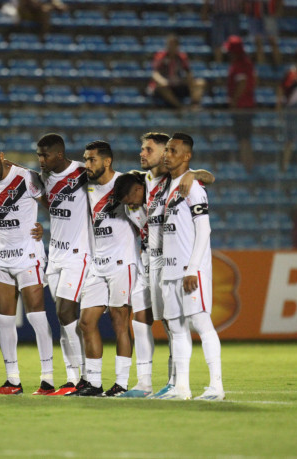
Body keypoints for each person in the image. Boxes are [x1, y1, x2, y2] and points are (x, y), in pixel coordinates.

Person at [113, 132, 215, 398]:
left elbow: (207, 178)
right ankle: (144, 382)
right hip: (149, 258)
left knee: (174, 324)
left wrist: (196, 174)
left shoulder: (175, 179)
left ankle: (176, 382)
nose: (142, 154)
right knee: (143, 319)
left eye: (149, 149)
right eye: (142, 149)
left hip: (171, 257)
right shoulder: (139, 181)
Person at [0, 143, 55, 395]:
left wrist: (44, 229)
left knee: (36, 316)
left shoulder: (25, 177)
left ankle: (48, 379)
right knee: (5, 321)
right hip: (1, 258)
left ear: (1, 157)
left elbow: (55, 208)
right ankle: (12, 380)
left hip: (27, 255)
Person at [155, 133, 224, 401]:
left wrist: (192, 268)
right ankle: (181, 388)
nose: (167, 154)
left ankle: (216, 387)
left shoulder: (193, 187)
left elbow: (204, 229)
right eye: (167, 150)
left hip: (189, 270)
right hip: (170, 270)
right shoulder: (169, 186)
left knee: (201, 322)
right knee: (176, 327)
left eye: (173, 151)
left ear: (186, 156)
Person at [71, 140, 138, 397]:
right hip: (98, 264)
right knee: (86, 322)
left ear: (107, 161)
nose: (87, 164)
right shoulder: (87, 188)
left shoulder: (126, 183)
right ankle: (94, 383)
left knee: (120, 322)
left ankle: (121, 383)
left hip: (123, 262)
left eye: (92, 160)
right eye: (85, 160)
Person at [35, 133, 90, 396]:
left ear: (59, 154)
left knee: (66, 311)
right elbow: (52, 203)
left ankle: (85, 376)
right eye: (39, 155)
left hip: (79, 254)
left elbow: (118, 179)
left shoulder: (82, 171)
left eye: (45, 155)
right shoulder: (45, 178)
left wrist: (194, 175)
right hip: (55, 254)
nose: (40, 160)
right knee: (63, 317)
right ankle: (72, 378)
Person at [147, 35, 206, 110]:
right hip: (164, 86)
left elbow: (188, 73)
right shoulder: (161, 56)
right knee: (161, 86)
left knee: (200, 82)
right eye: (170, 44)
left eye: (174, 45)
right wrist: (162, 81)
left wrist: (191, 83)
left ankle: (194, 105)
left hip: (177, 85)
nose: (171, 47)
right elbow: (155, 74)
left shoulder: (182, 57)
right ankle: (180, 107)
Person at [225, 35, 257, 172]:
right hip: (246, 106)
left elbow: (242, 84)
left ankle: (248, 168)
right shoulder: (247, 63)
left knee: (244, 140)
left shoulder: (241, 64)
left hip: (242, 108)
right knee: (244, 139)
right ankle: (247, 167)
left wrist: (234, 102)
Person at [2, 0, 67, 38]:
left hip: (36, 15)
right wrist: (50, 7)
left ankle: (43, 38)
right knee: (44, 10)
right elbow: (34, 4)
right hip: (22, 14)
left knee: (45, 13)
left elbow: (60, 6)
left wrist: (57, 6)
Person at [246, 0, 282, 66]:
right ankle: (262, 67)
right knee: (258, 43)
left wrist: (278, 11)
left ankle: (279, 66)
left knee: (273, 42)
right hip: (254, 15)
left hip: (269, 15)